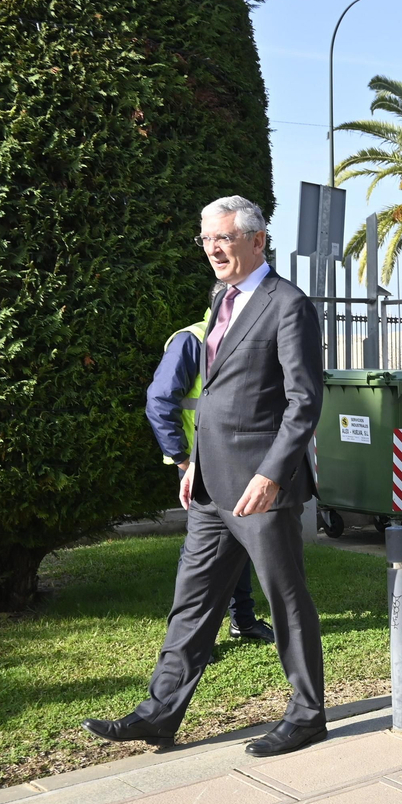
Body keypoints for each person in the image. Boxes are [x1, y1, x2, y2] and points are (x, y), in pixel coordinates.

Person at [83, 195, 327, 757]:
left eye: (224, 238)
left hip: (261, 488)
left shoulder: (288, 304)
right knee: (192, 602)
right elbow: (215, 393)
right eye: (206, 240)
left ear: (257, 240)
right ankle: (159, 713)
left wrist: (272, 475)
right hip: (211, 485)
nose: (214, 249)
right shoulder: (223, 297)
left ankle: (308, 713)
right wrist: (191, 461)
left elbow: (303, 401)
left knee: (285, 599)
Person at [145, 313, 275, 646]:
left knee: (238, 542)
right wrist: (184, 461)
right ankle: (189, 638)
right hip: (198, 465)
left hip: (236, 461)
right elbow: (159, 401)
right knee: (201, 554)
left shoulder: (248, 336)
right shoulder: (193, 340)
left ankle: (242, 622)